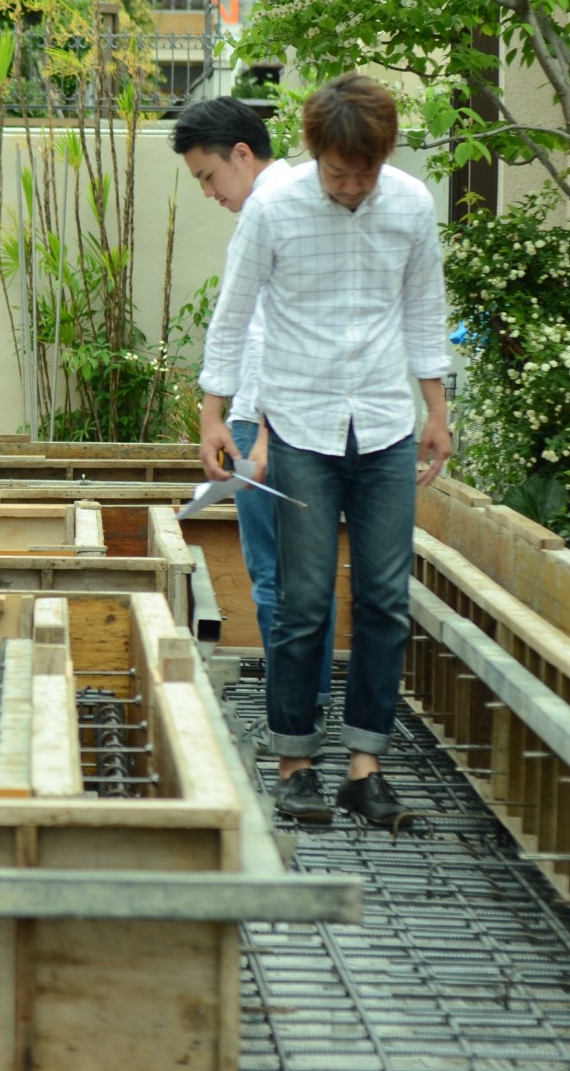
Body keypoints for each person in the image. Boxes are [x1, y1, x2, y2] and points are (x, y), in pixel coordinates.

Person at [198, 75, 452, 828]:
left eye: (363, 172)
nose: (351, 186)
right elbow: (233, 312)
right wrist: (215, 417)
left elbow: (424, 311)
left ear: (382, 158)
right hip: (300, 424)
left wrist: (437, 410)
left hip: (383, 424)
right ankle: (296, 763)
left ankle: (365, 765)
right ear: (315, 156)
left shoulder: (409, 204)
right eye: (339, 172)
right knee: (303, 603)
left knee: (383, 598)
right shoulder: (275, 209)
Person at [176, 97, 337, 714]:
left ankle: (293, 705)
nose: (208, 192)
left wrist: (260, 431)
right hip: (304, 418)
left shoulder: (270, 208)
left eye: (208, 176)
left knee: (275, 575)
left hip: (267, 417)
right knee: (305, 575)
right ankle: (311, 696)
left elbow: (271, 333)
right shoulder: (307, 196)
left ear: (242, 154)